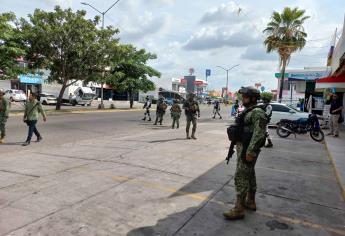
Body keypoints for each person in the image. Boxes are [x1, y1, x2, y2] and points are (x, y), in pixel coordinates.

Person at [223, 86, 268, 220]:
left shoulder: (257, 112)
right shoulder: (249, 111)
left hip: (248, 149)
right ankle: (250, 201)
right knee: (249, 174)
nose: (243, 98)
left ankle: (238, 209)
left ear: (253, 98)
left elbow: (259, 134)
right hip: (244, 147)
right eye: (243, 96)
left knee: (241, 177)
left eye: (246, 96)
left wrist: (250, 151)